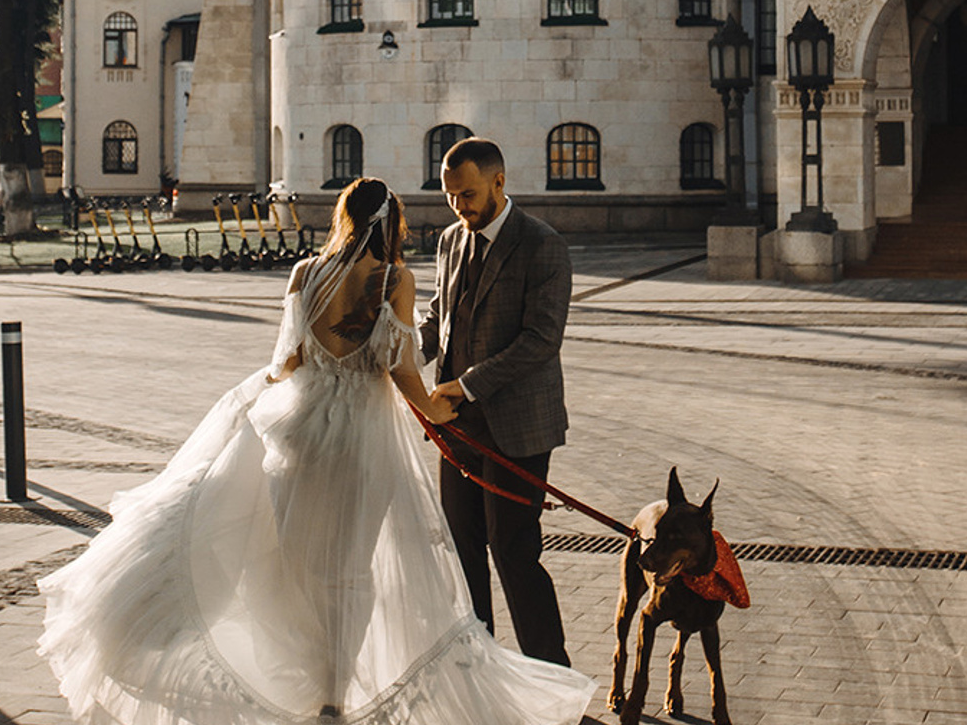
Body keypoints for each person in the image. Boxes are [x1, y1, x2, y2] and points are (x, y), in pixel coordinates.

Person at [38, 176, 597, 725]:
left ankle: (304, 682)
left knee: (299, 561)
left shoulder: (305, 273)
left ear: (343, 217)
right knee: (353, 566)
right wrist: (430, 407)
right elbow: (398, 366)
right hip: (361, 434)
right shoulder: (393, 279)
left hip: (300, 426)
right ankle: (333, 694)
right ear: (391, 224)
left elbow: (288, 360)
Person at [421, 136, 574, 667]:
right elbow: (439, 317)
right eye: (449, 197)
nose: (458, 206)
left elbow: (540, 340)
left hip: (517, 428)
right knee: (462, 555)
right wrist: (391, 354)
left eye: (465, 195)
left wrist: (466, 385)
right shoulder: (448, 241)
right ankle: (478, 671)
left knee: (513, 554)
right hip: (456, 430)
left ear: (499, 183)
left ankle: (553, 680)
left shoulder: (542, 245)